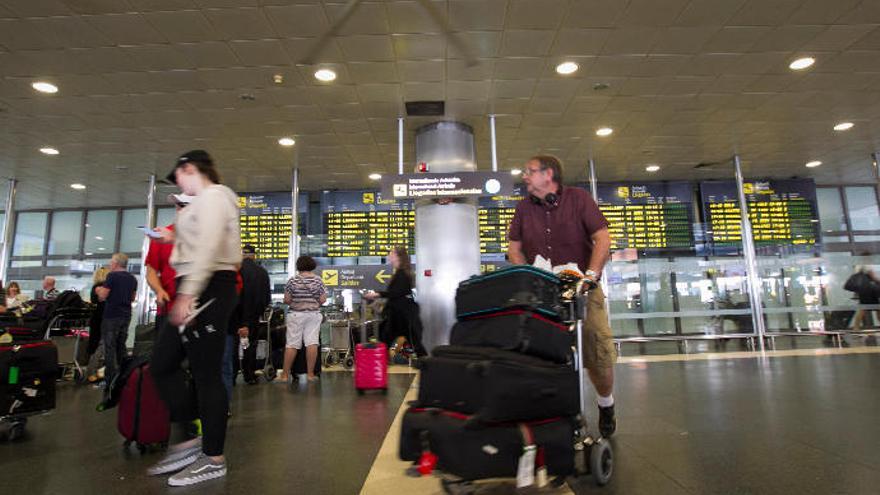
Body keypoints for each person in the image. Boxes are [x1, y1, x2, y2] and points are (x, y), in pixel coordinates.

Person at [148, 150, 241, 486]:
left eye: (180, 178)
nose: (179, 186)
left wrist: (188, 293)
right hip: (196, 285)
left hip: (209, 285)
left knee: (206, 374)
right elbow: (199, 239)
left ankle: (213, 457)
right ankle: (189, 443)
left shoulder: (217, 195)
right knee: (162, 364)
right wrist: (172, 237)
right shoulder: (202, 202)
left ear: (189, 169)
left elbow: (211, 245)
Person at [507, 155, 618, 437]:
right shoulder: (523, 208)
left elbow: (602, 238)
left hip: (581, 285)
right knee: (543, 352)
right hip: (542, 289)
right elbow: (515, 248)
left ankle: (606, 404)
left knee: (595, 348)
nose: (524, 176)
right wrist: (525, 275)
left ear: (549, 174)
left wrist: (590, 276)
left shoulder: (579, 199)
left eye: (530, 171)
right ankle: (555, 413)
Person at [364, 246, 427, 358]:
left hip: (402, 315)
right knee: (391, 339)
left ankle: (379, 364)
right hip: (401, 314)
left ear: (398, 257)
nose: (389, 255)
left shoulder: (402, 274)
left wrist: (377, 294)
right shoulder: (401, 272)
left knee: (389, 338)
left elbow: (396, 293)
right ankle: (381, 364)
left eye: (392, 253)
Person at [224, 245, 270, 396]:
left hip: (233, 314)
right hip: (253, 316)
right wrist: (259, 311)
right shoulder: (262, 272)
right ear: (254, 256)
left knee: (232, 346)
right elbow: (266, 298)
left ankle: (231, 377)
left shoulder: (235, 270)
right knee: (250, 345)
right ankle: (249, 376)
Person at [146, 193, 191, 330]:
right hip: (169, 309)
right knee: (166, 351)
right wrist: (158, 290)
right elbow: (151, 272)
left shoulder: (207, 237)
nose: (179, 209)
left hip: (198, 311)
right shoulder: (162, 236)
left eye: (183, 205)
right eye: (178, 205)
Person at [94, 254, 138, 392]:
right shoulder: (132, 279)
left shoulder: (112, 276)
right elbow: (132, 298)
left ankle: (110, 381)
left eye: (111, 262)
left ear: (116, 263)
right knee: (121, 347)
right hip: (126, 315)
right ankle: (124, 377)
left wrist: (98, 290)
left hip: (112, 315)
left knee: (109, 348)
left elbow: (103, 296)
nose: (110, 264)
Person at [281, 256, 326, 383]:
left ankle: (284, 375)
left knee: (292, 344)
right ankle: (310, 374)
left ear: (298, 266)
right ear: (312, 265)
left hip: (296, 314)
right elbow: (323, 300)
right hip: (313, 315)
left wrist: (297, 301)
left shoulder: (292, 280)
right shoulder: (318, 280)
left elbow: (286, 300)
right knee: (312, 343)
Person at [85, 267, 109, 384]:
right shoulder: (101, 288)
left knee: (97, 344)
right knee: (101, 345)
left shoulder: (95, 288)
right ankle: (92, 372)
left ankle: (93, 371)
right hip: (102, 319)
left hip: (97, 319)